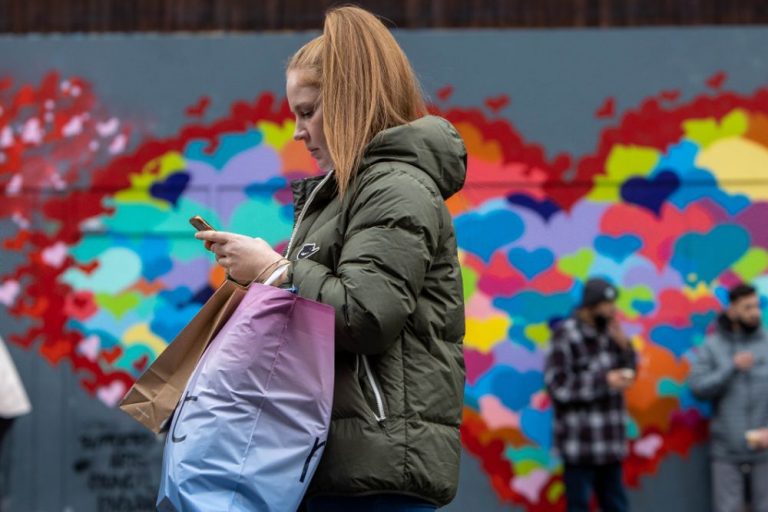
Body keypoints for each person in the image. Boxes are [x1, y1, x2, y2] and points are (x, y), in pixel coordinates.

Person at [195, 5, 467, 511]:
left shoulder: (394, 188)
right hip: (339, 463)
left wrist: (274, 269)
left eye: (307, 111)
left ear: (349, 103)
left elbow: (364, 316)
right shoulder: (351, 192)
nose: (298, 132)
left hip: (375, 476)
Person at [544, 278, 637, 512]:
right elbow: (557, 386)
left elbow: (629, 372)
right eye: (607, 304)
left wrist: (626, 348)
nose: (612, 310)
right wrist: (604, 381)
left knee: (616, 506)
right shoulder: (566, 334)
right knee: (579, 506)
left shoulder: (611, 332)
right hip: (580, 446)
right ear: (590, 306)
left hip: (611, 444)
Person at [689, 283, 768, 512]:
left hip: (764, 450)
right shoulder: (712, 346)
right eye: (747, 307)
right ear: (732, 310)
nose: (754, 313)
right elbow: (698, 388)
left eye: (756, 306)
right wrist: (731, 368)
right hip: (726, 450)